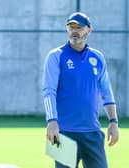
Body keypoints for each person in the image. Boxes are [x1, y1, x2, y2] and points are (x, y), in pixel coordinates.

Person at [43, 12, 119, 168]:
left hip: (92, 133)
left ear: (89, 30)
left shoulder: (97, 57)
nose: (74, 31)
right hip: (64, 134)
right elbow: (48, 91)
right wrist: (51, 122)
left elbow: (106, 91)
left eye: (79, 27)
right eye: (71, 27)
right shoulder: (55, 56)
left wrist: (113, 121)